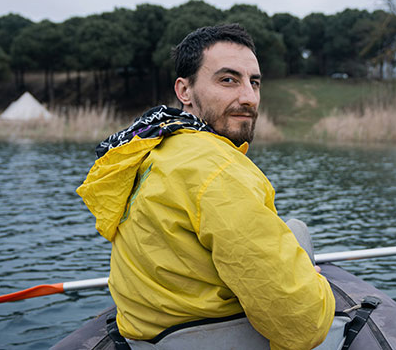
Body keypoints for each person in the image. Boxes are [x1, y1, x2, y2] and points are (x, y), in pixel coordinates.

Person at [77, 24, 335, 349]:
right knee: (298, 235)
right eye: (228, 80)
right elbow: (304, 324)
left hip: (150, 335)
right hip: (212, 337)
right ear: (184, 91)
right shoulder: (219, 171)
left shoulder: (151, 148)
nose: (248, 97)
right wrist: (317, 283)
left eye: (254, 82)